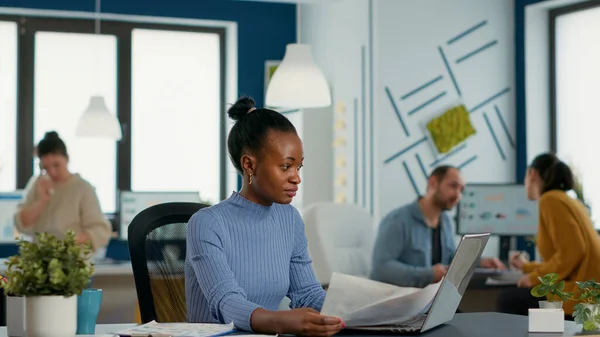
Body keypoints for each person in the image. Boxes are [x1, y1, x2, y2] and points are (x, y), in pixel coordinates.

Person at [184, 97, 345, 335]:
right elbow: (227, 303)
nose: (296, 178)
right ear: (249, 164)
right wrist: (284, 321)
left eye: (298, 167)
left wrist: (351, 312)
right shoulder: (206, 223)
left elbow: (307, 293)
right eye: (285, 166)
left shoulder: (289, 219)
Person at [498, 153, 600, 318]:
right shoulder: (569, 200)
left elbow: (573, 252)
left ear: (533, 174)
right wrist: (527, 267)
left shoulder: (549, 200)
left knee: (508, 300)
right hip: (589, 292)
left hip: (579, 296)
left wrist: (534, 278)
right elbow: (565, 258)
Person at [371, 165, 506, 288]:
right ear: (433, 183)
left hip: (432, 300)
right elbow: (381, 268)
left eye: (461, 190)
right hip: (402, 303)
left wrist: (479, 262)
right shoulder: (398, 220)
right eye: (453, 186)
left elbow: (451, 259)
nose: (458, 195)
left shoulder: (445, 221)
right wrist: (428, 274)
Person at [14, 131, 111, 251]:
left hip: (72, 261)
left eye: (56, 165)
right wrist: (42, 201)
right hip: (40, 260)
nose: (52, 172)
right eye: (46, 168)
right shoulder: (37, 184)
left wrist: (69, 243)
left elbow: (99, 231)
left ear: (66, 158)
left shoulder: (82, 188)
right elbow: (22, 223)